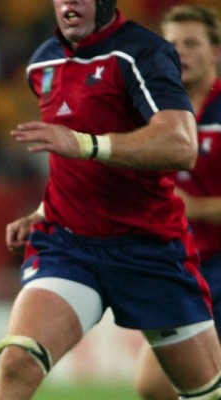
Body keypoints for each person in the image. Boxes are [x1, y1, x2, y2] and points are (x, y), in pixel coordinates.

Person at [0, 1, 221, 399]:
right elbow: (71, 163)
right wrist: (43, 210)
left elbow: (181, 146)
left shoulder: (143, 52)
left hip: (150, 249)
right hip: (69, 244)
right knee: (18, 361)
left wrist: (86, 144)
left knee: (198, 393)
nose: (69, 3)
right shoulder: (42, 64)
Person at [133, 5, 221, 400]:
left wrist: (195, 207)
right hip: (181, 266)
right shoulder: (152, 110)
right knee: (154, 388)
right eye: (171, 44)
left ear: (216, 52)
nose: (180, 51)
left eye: (191, 43)